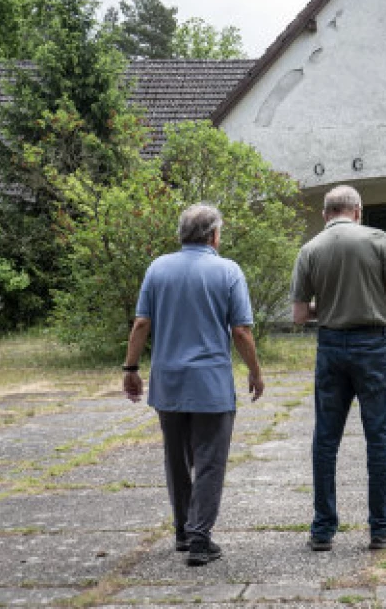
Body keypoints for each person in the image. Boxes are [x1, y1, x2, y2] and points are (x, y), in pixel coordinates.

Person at [122, 203, 264, 566]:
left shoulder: (157, 268)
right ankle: (201, 538)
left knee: (176, 459)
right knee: (210, 459)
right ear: (214, 235)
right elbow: (241, 330)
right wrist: (254, 370)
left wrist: (131, 368)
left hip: (168, 382)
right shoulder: (228, 271)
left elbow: (141, 323)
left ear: (181, 234)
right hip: (210, 383)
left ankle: (183, 532)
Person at [290, 185, 386, 551]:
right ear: (357, 210)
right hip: (373, 345)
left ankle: (323, 529)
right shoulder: (379, 240)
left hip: (331, 346)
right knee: (378, 437)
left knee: (326, 439)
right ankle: (380, 528)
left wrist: (328, 307)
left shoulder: (310, 250)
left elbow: (298, 316)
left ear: (326, 214)